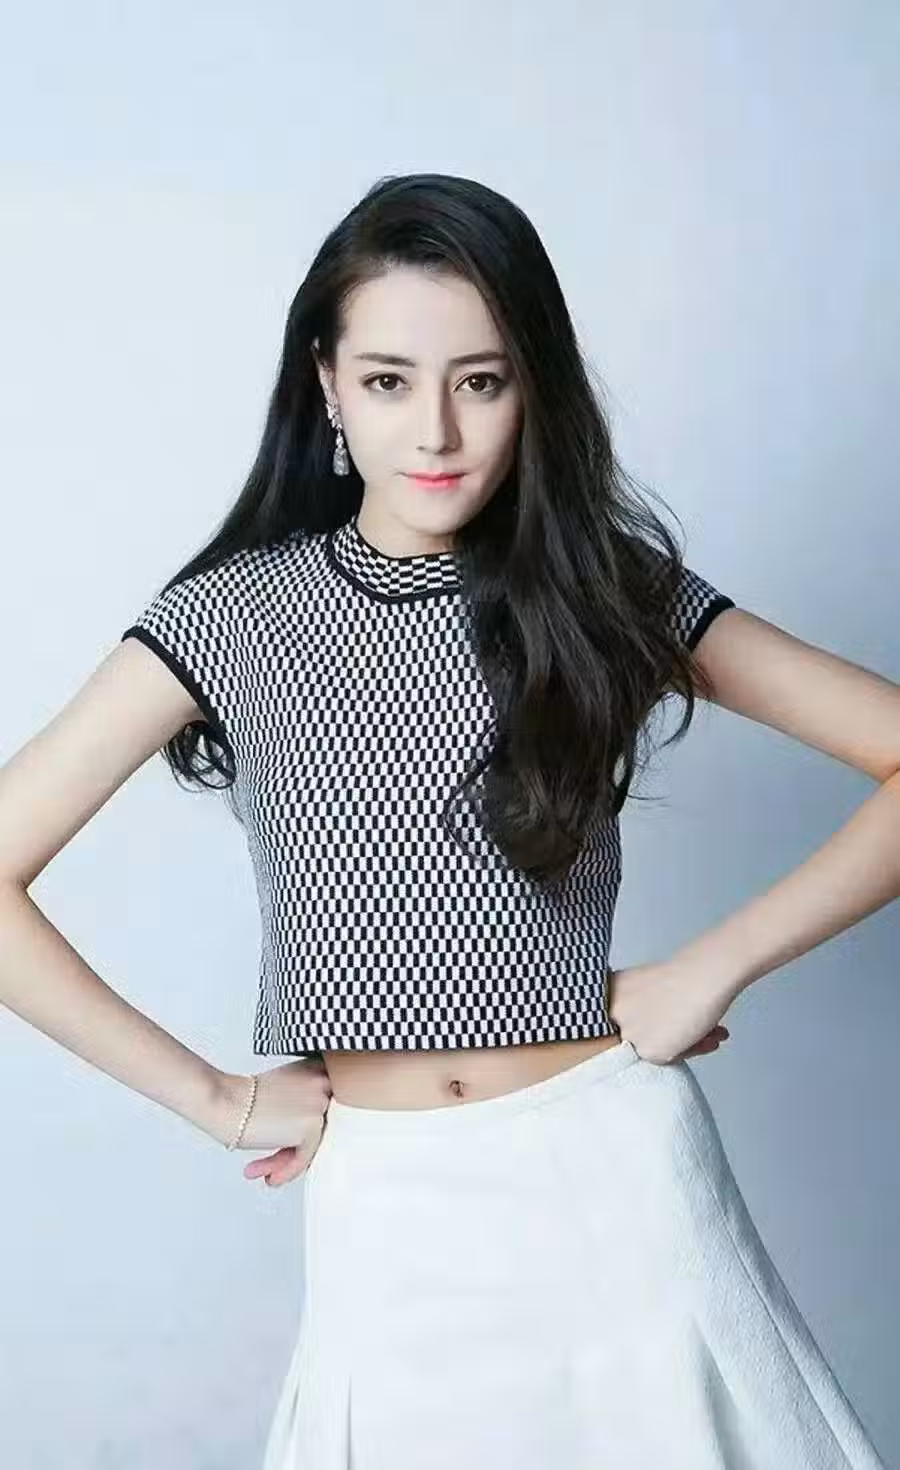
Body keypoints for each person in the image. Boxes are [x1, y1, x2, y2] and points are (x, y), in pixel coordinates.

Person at [0, 172, 894, 1469]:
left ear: (534, 389)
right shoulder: (230, 616)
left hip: (618, 1182)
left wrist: (718, 960)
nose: (436, 430)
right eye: (388, 381)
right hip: (391, 1210)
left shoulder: (604, 593)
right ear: (326, 384)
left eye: (481, 381)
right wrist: (214, 1098)